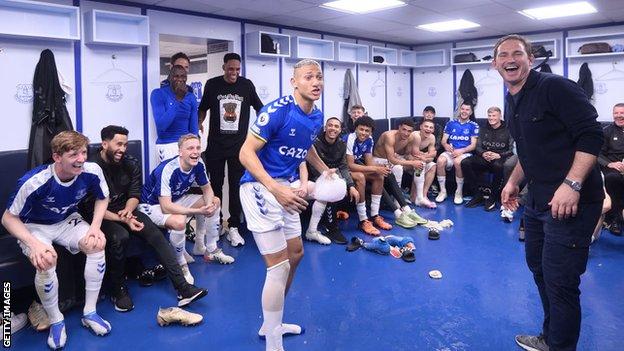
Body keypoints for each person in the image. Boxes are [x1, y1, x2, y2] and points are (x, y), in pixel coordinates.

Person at [496, 34, 604, 351]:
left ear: (531, 59)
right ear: (495, 64)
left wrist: (572, 185)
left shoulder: (555, 88)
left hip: (574, 202)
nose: (510, 59)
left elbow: (591, 134)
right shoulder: (511, 97)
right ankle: (550, 338)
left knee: (560, 282)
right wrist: (514, 181)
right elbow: (529, 151)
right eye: (503, 55)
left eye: (518, 53)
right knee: (540, 270)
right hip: (538, 201)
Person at [239, 59, 332, 351]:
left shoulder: (317, 116)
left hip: (287, 188)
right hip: (259, 188)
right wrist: (274, 187)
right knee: (278, 266)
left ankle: (272, 323)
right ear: (294, 82)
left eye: (318, 77)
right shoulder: (276, 111)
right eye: (308, 77)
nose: (316, 82)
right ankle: (273, 341)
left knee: (296, 254)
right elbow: (245, 153)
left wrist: (323, 167)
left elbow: (306, 145)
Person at [1, 131, 111, 349]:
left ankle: (90, 312)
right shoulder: (34, 181)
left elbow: (103, 197)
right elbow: (8, 218)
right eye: (73, 155)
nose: (81, 159)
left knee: (97, 243)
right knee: (47, 258)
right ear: (57, 157)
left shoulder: (91, 170)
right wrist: (33, 244)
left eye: (83, 153)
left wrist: (95, 227)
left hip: (66, 221)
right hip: (34, 226)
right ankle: (56, 320)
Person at [81, 126, 207, 312]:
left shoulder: (130, 162)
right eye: (118, 144)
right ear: (105, 144)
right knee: (120, 237)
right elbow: (90, 207)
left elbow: (134, 194)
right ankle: (117, 290)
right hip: (100, 215)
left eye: (125, 144)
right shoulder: (90, 167)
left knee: (154, 234)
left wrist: (128, 211)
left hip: (125, 210)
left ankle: (183, 288)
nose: (123, 149)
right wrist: (123, 219)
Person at [140, 134, 234, 286]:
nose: (195, 152)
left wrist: (208, 206)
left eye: (198, 147)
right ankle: (180, 265)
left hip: (176, 199)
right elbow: (166, 206)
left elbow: (207, 190)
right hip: (151, 205)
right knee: (179, 221)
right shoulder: (167, 169)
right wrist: (199, 211)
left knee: (215, 202)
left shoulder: (198, 163)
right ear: (180, 152)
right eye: (190, 148)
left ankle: (209, 249)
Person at [198, 53, 263, 246]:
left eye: (237, 69)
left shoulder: (246, 85)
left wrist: (262, 130)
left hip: (239, 147)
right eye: (230, 69)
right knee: (215, 186)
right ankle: (216, 224)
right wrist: (198, 123)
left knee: (235, 187)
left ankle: (234, 227)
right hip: (216, 146)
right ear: (224, 67)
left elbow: (260, 108)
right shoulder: (212, 84)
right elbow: (203, 108)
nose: (234, 73)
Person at [345, 116, 406, 234]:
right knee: (361, 177)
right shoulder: (350, 138)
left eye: (367, 130)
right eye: (361, 129)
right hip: (342, 169)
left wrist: (380, 169)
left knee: (379, 176)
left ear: (371, 132)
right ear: (355, 129)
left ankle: (375, 215)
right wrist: (375, 168)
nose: (363, 133)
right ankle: (363, 220)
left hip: (355, 166)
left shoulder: (369, 140)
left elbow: (368, 162)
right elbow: (350, 165)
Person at [305, 117, 359, 245]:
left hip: (333, 175)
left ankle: (332, 219)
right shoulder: (316, 143)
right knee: (332, 187)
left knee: (343, 185)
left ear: (340, 130)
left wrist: (350, 185)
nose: (333, 128)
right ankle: (331, 227)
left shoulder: (341, 144)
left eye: (336, 126)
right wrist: (332, 179)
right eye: (330, 125)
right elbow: (313, 167)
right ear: (325, 127)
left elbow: (343, 167)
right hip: (316, 176)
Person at [372, 120, 427, 225]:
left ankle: (418, 198)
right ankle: (397, 204)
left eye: (409, 131)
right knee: (398, 168)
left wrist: (417, 159)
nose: (406, 133)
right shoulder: (389, 136)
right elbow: (392, 159)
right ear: (399, 127)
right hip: (377, 160)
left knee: (420, 164)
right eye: (404, 130)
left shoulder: (410, 138)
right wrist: (411, 163)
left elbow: (406, 154)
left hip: (391, 159)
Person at [461, 106, 514, 211]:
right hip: (485, 156)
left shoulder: (508, 129)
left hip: (500, 156)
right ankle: (478, 195)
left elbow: (512, 149)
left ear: (500, 116)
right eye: (489, 116)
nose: (491, 118)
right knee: (465, 163)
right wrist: (483, 153)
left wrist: (500, 155)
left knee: (498, 166)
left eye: (494, 115)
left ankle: (492, 197)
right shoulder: (483, 128)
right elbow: (478, 146)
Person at [151, 65, 199, 163]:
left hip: (186, 145)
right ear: (170, 77)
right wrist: (178, 99)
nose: (180, 79)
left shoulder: (190, 97)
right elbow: (161, 125)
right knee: (170, 177)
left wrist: (196, 147)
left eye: (183, 76)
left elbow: (193, 128)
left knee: (191, 177)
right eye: (176, 76)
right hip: (167, 145)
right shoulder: (158, 93)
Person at [435, 102, 479, 205]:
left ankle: (458, 192)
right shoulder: (451, 123)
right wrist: (446, 146)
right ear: (460, 110)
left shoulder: (473, 125)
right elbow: (443, 141)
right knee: (440, 160)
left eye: (467, 110)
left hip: (465, 152)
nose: (464, 111)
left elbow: (473, 145)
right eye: (462, 109)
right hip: (450, 151)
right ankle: (443, 191)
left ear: (471, 112)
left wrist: (461, 151)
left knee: (458, 162)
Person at [597, 103, 624, 235]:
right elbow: (598, 154)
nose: (619, 116)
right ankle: (615, 219)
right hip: (612, 168)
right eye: (616, 113)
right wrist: (610, 164)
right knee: (613, 178)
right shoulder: (606, 131)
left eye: (622, 113)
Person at [410, 119, 438, 208]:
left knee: (433, 165)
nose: (428, 129)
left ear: (433, 130)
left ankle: (423, 195)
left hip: (418, 159)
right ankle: (417, 197)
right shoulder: (416, 135)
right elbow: (415, 154)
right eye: (426, 126)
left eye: (431, 127)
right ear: (421, 127)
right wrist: (428, 155)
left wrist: (426, 156)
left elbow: (432, 157)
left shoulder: (432, 138)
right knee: (420, 164)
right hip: (404, 157)